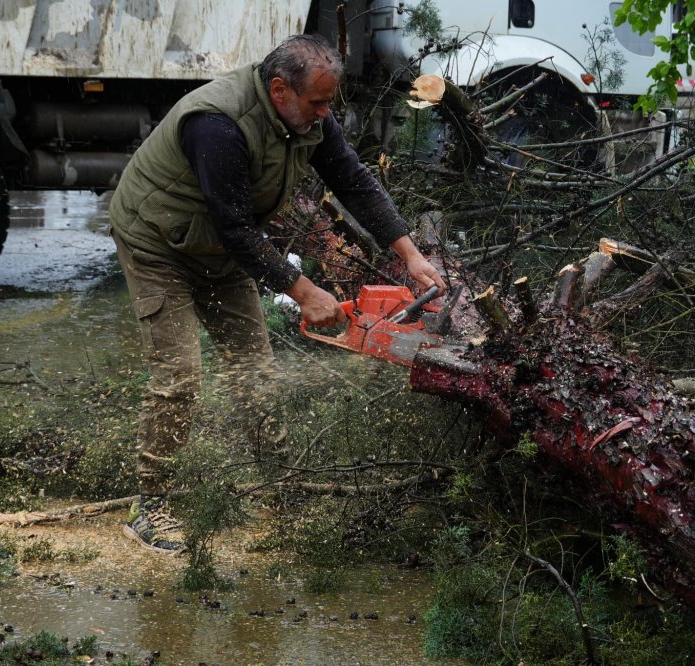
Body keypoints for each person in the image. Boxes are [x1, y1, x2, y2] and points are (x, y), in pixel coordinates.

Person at [109, 34, 446, 554]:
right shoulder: (219, 125)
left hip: (221, 248)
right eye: (317, 102)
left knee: (256, 375)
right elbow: (236, 227)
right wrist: (305, 290)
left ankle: (280, 488)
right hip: (158, 242)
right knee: (179, 377)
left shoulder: (309, 116)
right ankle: (150, 506)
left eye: (329, 102)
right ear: (279, 90)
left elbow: (354, 181)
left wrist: (410, 255)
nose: (324, 113)